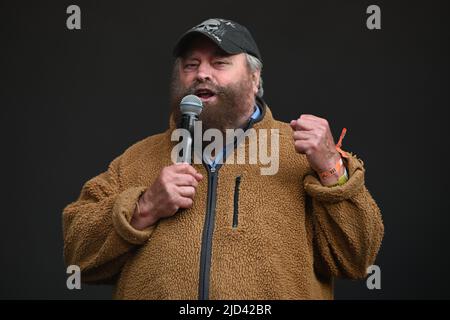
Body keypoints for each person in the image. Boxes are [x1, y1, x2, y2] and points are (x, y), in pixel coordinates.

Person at [63, 18, 384, 299]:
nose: (201, 73)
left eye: (219, 63)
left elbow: (356, 258)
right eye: (191, 65)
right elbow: (78, 257)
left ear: (255, 80)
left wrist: (331, 169)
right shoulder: (136, 159)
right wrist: (143, 207)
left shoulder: (302, 154)